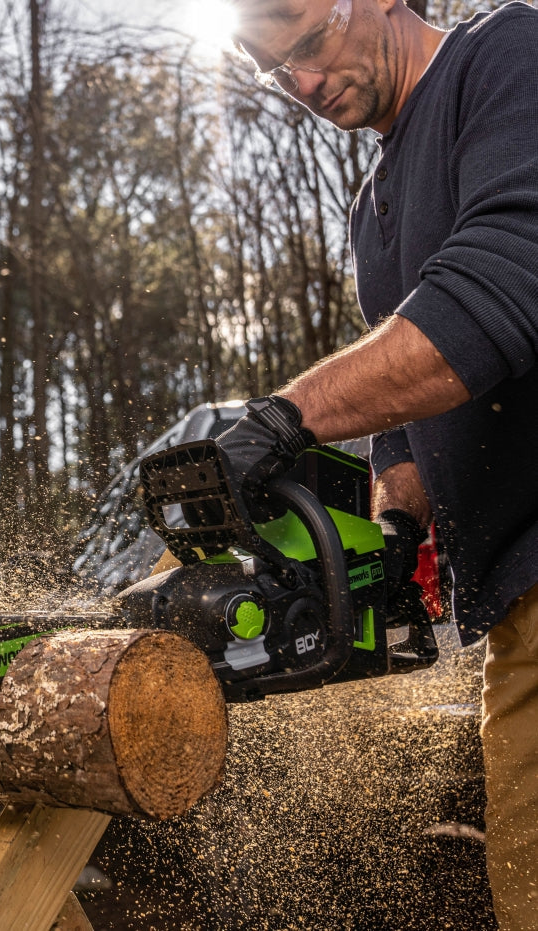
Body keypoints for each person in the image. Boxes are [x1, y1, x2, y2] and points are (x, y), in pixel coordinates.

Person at [217, 0, 538, 927]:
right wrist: (392, 525)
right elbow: (409, 415)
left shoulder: (504, 57)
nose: (306, 84)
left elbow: (502, 286)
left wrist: (285, 418)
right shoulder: (372, 210)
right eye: (279, 72)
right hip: (513, 601)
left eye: (311, 44)